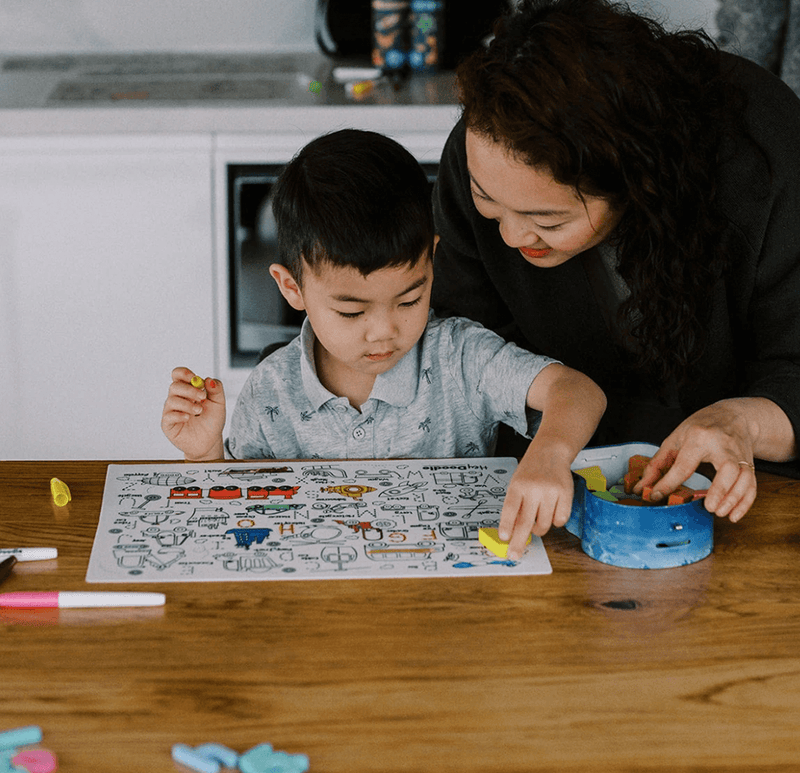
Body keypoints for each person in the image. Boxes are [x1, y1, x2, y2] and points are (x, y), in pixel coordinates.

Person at [431, 0, 800, 524]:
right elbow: (465, 348)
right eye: (489, 204)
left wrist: (741, 422)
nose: (510, 237)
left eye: (548, 220)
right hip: (548, 493)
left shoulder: (766, 160)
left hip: (745, 502)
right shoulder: (482, 150)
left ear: (636, 181)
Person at [162, 129, 606, 557]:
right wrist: (203, 455)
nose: (383, 332)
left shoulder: (461, 357)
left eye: (409, 299)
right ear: (292, 288)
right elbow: (239, 516)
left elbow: (579, 392)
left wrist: (549, 453)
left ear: (432, 260)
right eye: (352, 311)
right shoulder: (271, 388)